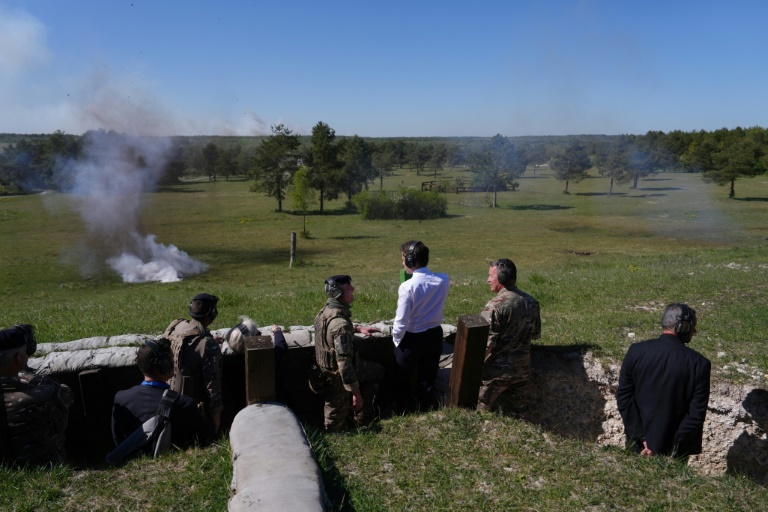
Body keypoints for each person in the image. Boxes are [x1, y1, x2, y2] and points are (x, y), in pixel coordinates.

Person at [616, 303, 711, 458]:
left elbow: (624, 398)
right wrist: (662, 446)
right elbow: (696, 414)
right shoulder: (699, 364)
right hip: (673, 451)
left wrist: (642, 438)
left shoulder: (636, 351)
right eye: (693, 326)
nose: (694, 332)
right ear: (683, 327)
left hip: (638, 446)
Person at [111, 338, 214, 450]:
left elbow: (118, 441)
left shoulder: (121, 398)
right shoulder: (185, 404)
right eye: (171, 358)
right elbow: (205, 440)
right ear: (165, 364)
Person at [314, 275, 384, 431]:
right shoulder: (341, 325)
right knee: (334, 427)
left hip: (324, 372)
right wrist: (356, 394)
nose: (353, 289)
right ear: (337, 293)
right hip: (338, 378)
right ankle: (362, 417)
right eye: (348, 287)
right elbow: (345, 365)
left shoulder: (325, 312)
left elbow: (332, 333)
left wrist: (357, 328)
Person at [0, 324, 73, 466]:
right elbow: (62, 420)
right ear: (19, 359)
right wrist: (35, 379)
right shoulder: (40, 396)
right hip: (43, 466)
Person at [392, 240, 450, 413]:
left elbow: (401, 320)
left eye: (404, 258)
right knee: (427, 378)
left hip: (412, 338)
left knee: (402, 380)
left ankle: (404, 411)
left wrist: (396, 341)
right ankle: (425, 410)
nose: (402, 262)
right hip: (435, 334)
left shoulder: (407, 286)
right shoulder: (443, 279)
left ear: (411, 260)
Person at [477, 258, 541, 413]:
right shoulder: (532, 302)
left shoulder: (495, 306)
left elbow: (486, 345)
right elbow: (535, 335)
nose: (488, 279)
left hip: (495, 374)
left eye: (491, 276)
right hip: (522, 372)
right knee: (519, 416)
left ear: (501, 279)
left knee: (479, 412)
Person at [163, 293, 224, 432]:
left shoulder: (176, 326)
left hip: (166, 401)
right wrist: (216, 423)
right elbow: (213, 387)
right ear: (212, 314)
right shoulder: (206, 343)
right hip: (190, 410)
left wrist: (208, 341)